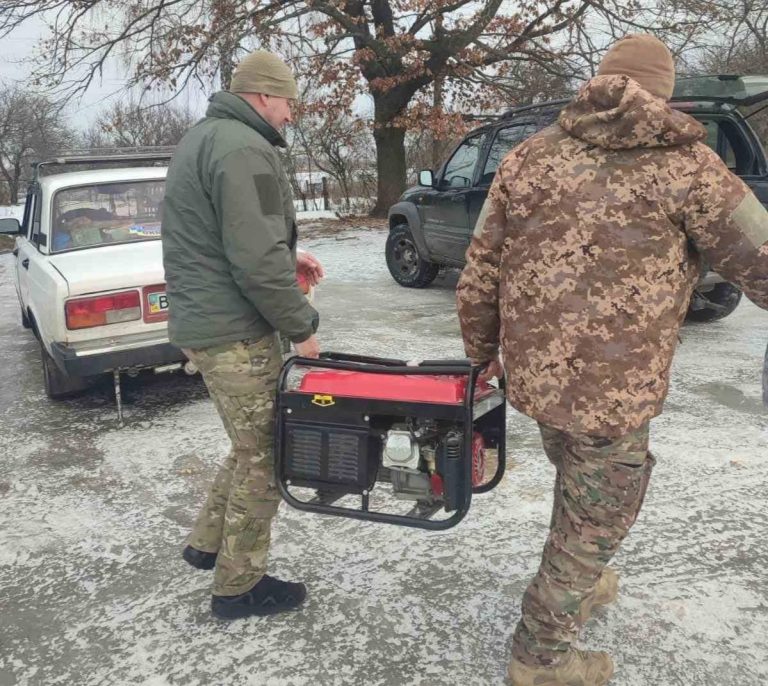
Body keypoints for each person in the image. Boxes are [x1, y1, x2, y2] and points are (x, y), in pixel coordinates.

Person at [456, 34, 768, 685]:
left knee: (582, 495)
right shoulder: (688, 168)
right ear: (665, 91)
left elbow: (480, 267)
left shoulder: (529, 157)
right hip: (615, 393)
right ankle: (539, 656)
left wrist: (481, 351)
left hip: (538, 382)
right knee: (599, 515)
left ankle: (580, 581)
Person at [162, 50, 324, 620]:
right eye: (287, 102)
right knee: (266, 453)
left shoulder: (205, 138)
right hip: (235, 332)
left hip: (207, 323)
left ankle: (208, 544)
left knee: (247, 442)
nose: (289, 114)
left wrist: (289, 256)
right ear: (262, 95)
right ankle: (239, 586)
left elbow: (229, 238)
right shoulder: (244, 149)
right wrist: (301, 326)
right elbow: (254, 260)